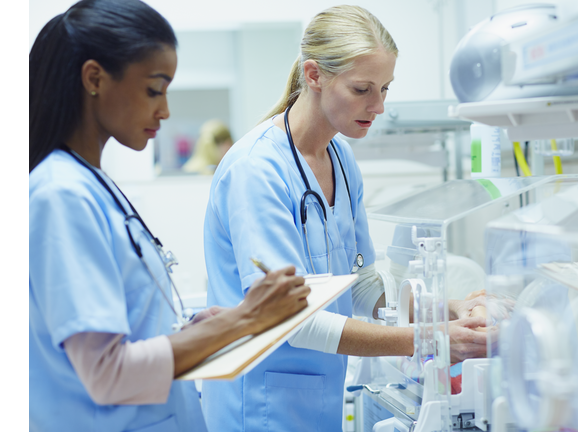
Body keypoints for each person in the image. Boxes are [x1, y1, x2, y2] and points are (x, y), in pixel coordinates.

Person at [202, 5, 491, 431]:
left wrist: (444, 311)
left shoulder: (340, 158)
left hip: (316, 399)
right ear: (314, 75)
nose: (378, 106)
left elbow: (361, 285)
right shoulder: (255, 170)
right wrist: (431, 339)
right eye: (362, 89)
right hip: (258, 404)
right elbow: (291, 322)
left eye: (385, 89)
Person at [29, 1, 310, 431]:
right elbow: (108, 375)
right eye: (154, 90)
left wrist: (194, 329)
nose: (165, 111)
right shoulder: (61, 195)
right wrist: (245, 319)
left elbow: (128, 333)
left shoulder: (92, 185)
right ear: (94, 78)